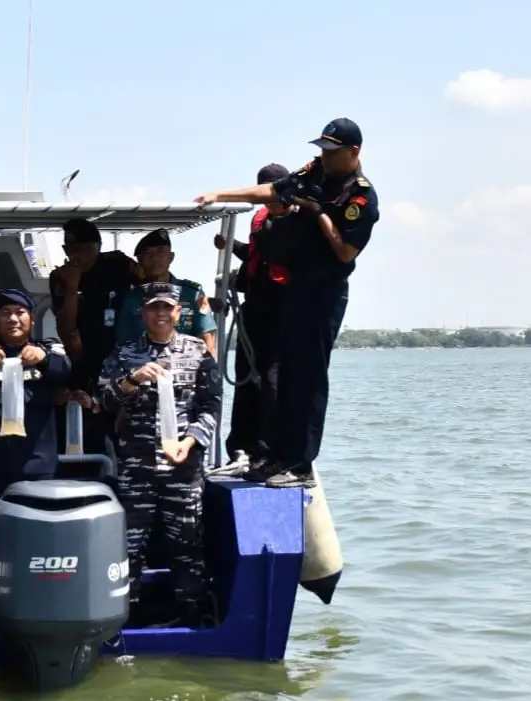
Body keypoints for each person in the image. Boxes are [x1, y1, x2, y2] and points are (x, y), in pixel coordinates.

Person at [196, 118, 380, 488]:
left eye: (332, 152)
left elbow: (345, 252)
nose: (323, 158)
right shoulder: (315, 171)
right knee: (288, 378)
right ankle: (277, 457)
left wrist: (318, 212)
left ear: (353, 152)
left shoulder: (360, 196)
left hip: (324, 293)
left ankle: (301, 465)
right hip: (295, 290)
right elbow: (275, 191)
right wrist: (220, 195)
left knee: (309, 380)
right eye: (322, 150)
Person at [98, 282, 221, 626]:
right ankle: (126, 615)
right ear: (143, 313)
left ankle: (192, 612)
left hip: (182, 466)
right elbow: (103, 401)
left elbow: (211, 406)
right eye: (154, 308)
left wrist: (192, 440)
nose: (161, 314)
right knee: (128, 545)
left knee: (188, 542)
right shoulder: (124, 353)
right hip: (137, 467)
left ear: (179, 313)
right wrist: (131, 381)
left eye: (168, 308)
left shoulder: (197, 351)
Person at [0, 288, 71, 611]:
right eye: (5, 313)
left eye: (19, 313)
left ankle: (39, 605)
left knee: (36, 539)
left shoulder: (47, 348)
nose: (12, 319)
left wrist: (45, 360)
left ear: (32, 318)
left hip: (35, 467)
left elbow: (67, 371)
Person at [210, 164, 296, 476]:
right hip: (254, 309)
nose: (269, 201)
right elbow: (257, 256)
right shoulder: (261, 221)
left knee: (272, 381)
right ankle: (240, 447)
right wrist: (230, 246)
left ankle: (269, 449)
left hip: (283, 311)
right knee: (245, 376)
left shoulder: (300, 220)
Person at [50, 218, 141, 458]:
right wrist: (72, 287)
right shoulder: (60, 277)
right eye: (73, 250)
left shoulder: (119, 265)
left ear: (98, 247)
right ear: (65, 251)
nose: (80, 256)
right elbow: (66, 329)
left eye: (87, 249)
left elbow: (153, 283)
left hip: (123, 358)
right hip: (85, 360)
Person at [115, 228, 218, 356]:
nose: (155, 258)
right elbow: (123, 343)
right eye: (148, 253)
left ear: (171, 257)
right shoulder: (132, 298)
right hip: (144, 368)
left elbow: (208, 340)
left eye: (160, 252)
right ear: (140, 261)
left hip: (185, 368)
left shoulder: (193, 294)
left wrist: (207, 372)